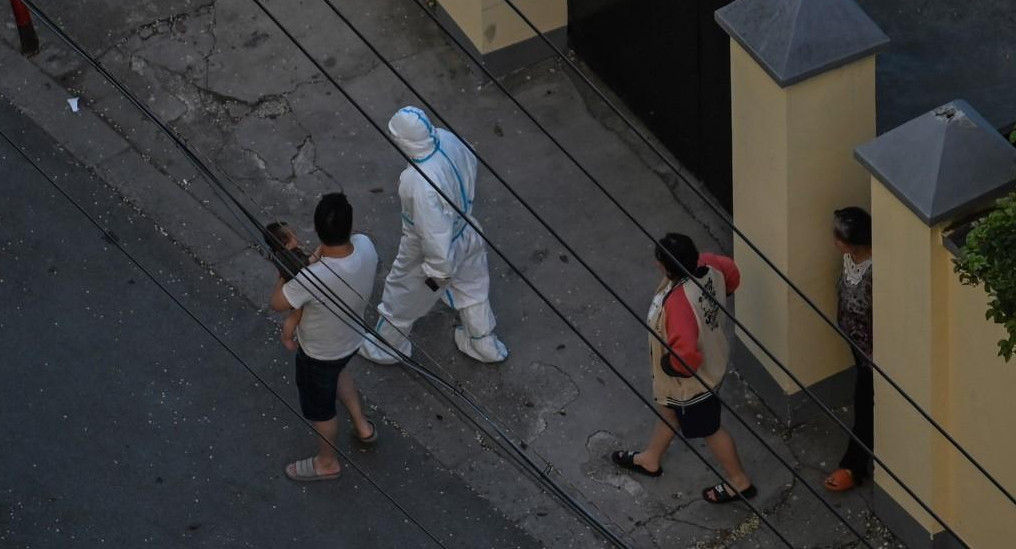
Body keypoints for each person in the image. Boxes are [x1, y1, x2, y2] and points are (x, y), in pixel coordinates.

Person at [611, 233, 756, 504]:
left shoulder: (679, 303)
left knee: (709, 429)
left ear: (666, 267)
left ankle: (739, 481)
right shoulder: (709, 264)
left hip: (692, 383)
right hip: (712, 358)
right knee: (670, 409)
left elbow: (686, 356)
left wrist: (669, 363)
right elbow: (731, 273)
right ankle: (651, 458)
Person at [359, 106, 507, 364]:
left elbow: (433, 235)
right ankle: (482, 342)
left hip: (432, 257)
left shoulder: (419, 183)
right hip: (467, 233)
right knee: (473, 287)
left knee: (403, 295)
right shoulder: (448, 140)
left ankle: (386, 347)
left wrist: (437, 276)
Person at [270, 193, 379, 482]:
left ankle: (327, 462)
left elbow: (278, 303)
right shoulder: (367, 246)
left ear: (317, 231)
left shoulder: (312, 278)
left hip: (319, 352)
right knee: (338, 372)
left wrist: (286, 267)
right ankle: (362, 426)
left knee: (321, 410)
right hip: (352, 338)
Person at [824, 207, 873, 492]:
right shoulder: (849, 259)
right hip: (858, 347)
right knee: (864, 397)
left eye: (836, 234)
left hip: (873, 354)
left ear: (849, 241)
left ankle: (854, 466)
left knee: (865, 405)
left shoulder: (874, 271)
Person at [264, 221, 312, 352]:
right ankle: (287, 337)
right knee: (296, 314)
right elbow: (306, 263)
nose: (297, 236)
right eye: (294, 235)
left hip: (289, 281)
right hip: (293, 285)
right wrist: (318, 254)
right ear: (287, 244)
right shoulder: (290, 258)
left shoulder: (279, 253)